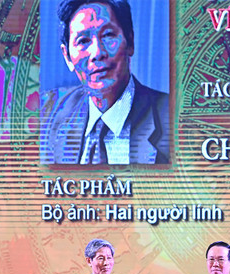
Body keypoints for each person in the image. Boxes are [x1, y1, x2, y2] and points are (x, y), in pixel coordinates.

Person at [41, 0, 169, 165]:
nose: (97, 53)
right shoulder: (45, 112)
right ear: (67, 57)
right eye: (83, 41)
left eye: (108, 35)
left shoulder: (174, 120)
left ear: (130, 41)